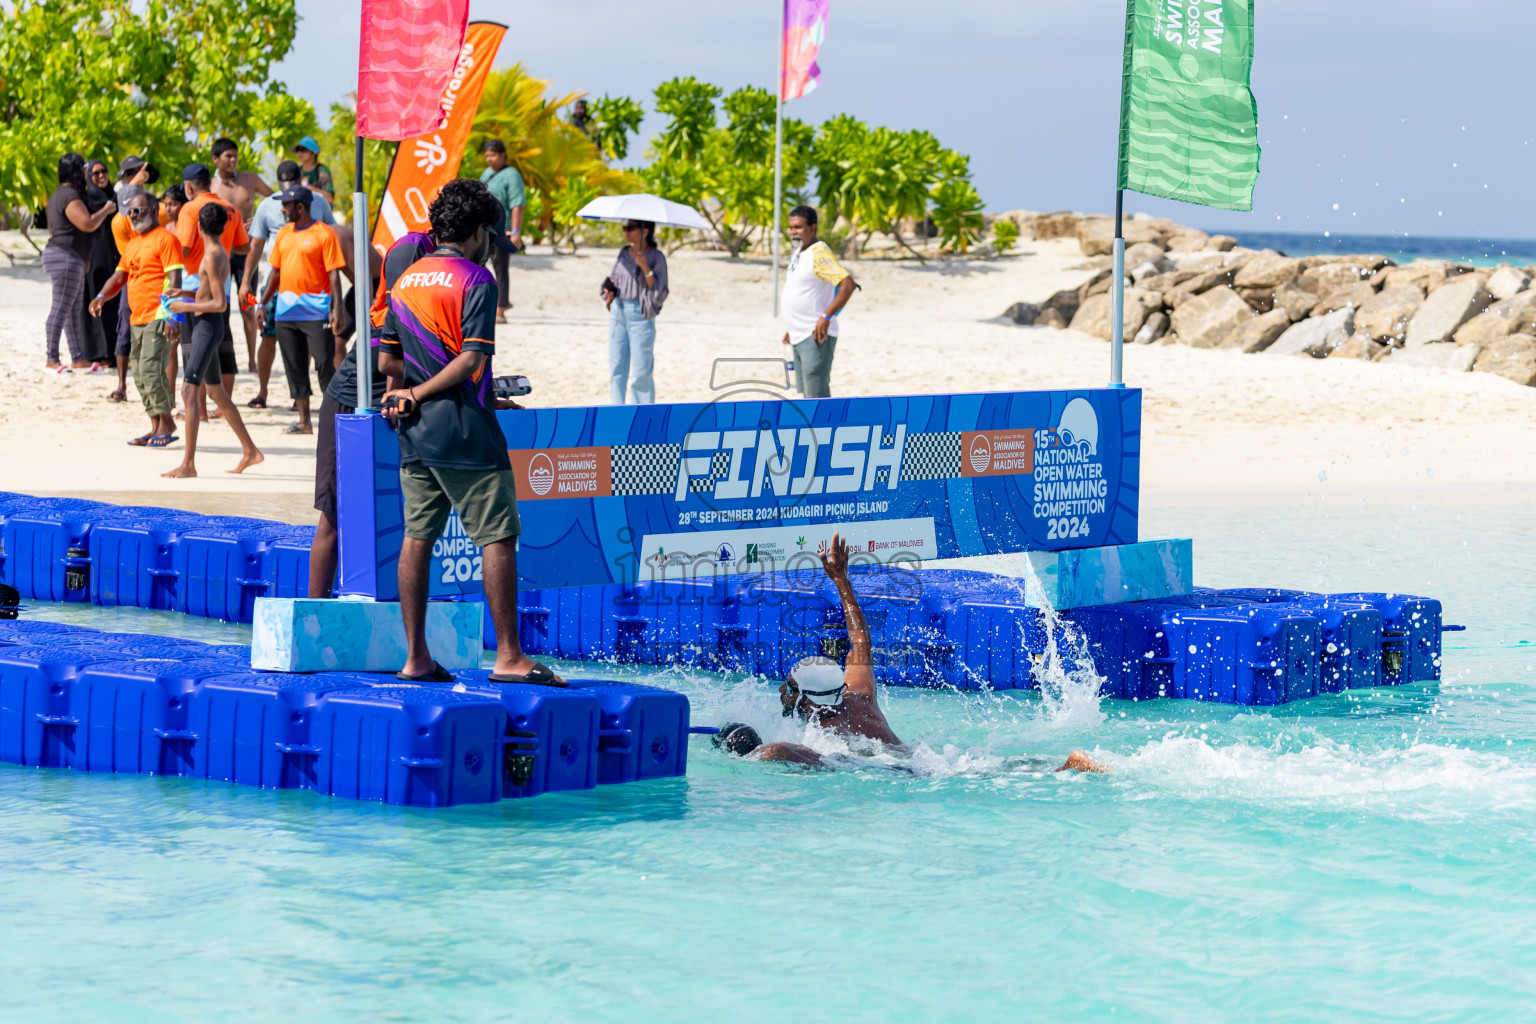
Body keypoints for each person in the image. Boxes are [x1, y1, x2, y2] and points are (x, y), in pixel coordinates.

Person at [376, 178, 552, 685]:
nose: (491, 245)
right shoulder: (476, 279)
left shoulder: (407, 279)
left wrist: (409, 392)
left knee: (417, 538)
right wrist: (427, 391)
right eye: (490, 235)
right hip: (466, 433)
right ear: (476, 231)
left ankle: (415, 658)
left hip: (413, 434)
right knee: (498, 538)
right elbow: (471, 358)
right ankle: (510, 658)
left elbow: (388, 356)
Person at [306, 230, 429, 599]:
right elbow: (394, 364)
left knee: (399, 514)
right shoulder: (398, 291)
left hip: (392, 408)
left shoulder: (437, 294)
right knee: (333, 515)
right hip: (348, 405)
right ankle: (316, 609)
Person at [162, 202, 264, 478]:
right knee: (217, 392)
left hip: (208, 326)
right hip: (208, 325)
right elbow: (208, 294)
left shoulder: (212, 256)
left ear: (198, 227)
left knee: (189, 391)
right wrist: (183, 292)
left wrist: (184, 307)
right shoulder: (218, 252)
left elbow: (219, 303)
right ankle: (250, 451)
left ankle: (188, 465)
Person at [239, 159, 335, 410]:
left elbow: (334, 240)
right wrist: (246, 282)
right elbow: (256, 245)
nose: (285, 206)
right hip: (277, 281)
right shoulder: (268, 207)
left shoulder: (319, 203)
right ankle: (262, 391)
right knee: (269, 337)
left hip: (314, 287)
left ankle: (311, 399)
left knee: (315, 348)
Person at [88, 190, 180, 448]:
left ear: (153, 210)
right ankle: (154, 425)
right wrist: (101, 296)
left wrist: (173, 317)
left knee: (151, 369)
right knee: (139, 373)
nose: (132, 215)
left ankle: (167, 423)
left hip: (158, 314)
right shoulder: (133, 243)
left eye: (137, 210)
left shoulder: (166, 239)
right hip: (137, 316)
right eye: (129, 211)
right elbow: (119, 277)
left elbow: (175, 281)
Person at [259, 184, 345, 434]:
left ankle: (334, 416)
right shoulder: (284, 234)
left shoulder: (323, 234)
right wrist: (262, 304)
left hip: (317, 310)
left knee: (323, 361)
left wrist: (337, 308)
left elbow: (334, 274)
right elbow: (274, 272)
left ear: (300, 206)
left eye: (286, 205)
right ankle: (304, 421)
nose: (283, 209)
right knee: (294, 366)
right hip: (286, 311)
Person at [177, 164, 249, 420]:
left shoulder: (190, 209)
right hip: (223, 283)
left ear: (189, 187)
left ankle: (197, 412)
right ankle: (216, 409)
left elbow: (182, 249)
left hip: (200, 286)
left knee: (192, 351)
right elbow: (243, 248)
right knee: (222, 348)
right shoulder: (230, 208)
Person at [43, 153, 115, 370]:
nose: (87, 171)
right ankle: (52, 358)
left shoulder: (65, 193)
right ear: (77, 170)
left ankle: (78, 357)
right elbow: (87, 223)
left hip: (68, 258)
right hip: (64, 257)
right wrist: (107, 209)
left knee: (73, 310)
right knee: (61, 308)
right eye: (85, 167)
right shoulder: (69, 196)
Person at [209, 137, 272, 373]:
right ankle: (221, 354)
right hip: (222, 251)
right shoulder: (211, 187)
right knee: (220, 305)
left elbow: (275, 199)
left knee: (247, 304)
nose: (233, 160)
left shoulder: (250, 179)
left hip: (247, 251)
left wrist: (259, 217)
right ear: (216, 159)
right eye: (228, 156)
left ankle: (252, 361)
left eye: (235, 155)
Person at [780, 205, 856, 398]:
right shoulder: (799, 253)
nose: (793, 232)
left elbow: (847, 284)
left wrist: (826, 316)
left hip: (815, 336)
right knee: (807, 397)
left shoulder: (819, 253)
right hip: (799, 334)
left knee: (817, 396)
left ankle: (826, 429)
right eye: (791, 228)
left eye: (798, 227)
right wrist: (792, 326)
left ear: (812, 228)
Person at [602, 219, 668, 405]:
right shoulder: (624, 253)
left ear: (645, 231)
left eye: (630, 228)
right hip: (618, 312)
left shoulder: (656, 257)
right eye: (625, 228)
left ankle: (642, 414)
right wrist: (609, 291)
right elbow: (614, 279)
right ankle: (617, 412)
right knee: (616, 368)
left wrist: (646, 267)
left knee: (641, 372)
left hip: (640, 314)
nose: (626, 232)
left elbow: (660, 291)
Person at [81, 159, 121, 370]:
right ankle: (100, 354)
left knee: (113, 303)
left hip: (113, 255)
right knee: (98, 302)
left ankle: (115, 354)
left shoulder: (110, 194)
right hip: (95, 257)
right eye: (95, 173)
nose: (101, 175)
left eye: (104, 171)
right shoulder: (91, 196)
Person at [479, 139, 525, 323]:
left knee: (500, 269)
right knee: (479, 266)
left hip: (502, 231)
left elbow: (517, 205)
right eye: (487, 156)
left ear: (503, 154)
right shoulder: (487, 173)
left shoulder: (512, 175)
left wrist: (515, 232)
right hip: (483, 230)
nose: (489, 159)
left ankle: (501, 309)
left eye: (492, 155)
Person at [293, 136, 334, 202]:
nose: (299, 153)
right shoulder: (297, 170)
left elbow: (330, 198)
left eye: (304, 150)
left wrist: (307, 186)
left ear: (313, 152)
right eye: (298, 150)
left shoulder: (322, 170)